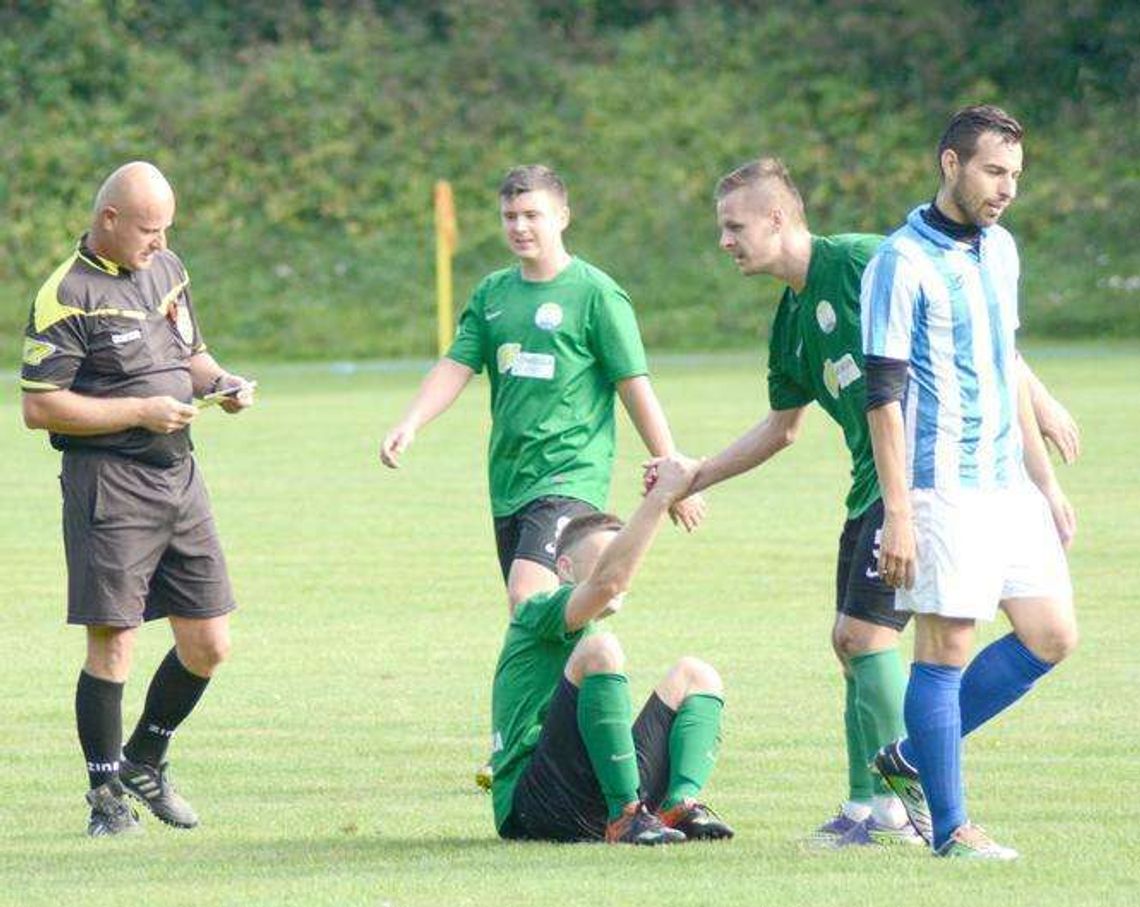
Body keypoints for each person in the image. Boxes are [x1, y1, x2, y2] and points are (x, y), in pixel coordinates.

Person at [652, 157, 1079, 849]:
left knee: (878, 640)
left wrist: (1041, 396)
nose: (724, 242)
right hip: (868, 488)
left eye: (734, 227)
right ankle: (869, 804)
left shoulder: (860, 261)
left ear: (778, 219)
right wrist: (696, 473)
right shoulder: (790, 322)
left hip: (919, 479)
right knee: (851, 641)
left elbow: (967, 320)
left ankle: (895, 805)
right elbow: (781, 428)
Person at [380, 165, 703, 790]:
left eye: (532, 215)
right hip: (508, 488)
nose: (520, 227)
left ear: (562, 216)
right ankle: (562, 732)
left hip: (569, 481)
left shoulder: (596, 294)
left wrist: (672, 472)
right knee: (554, 616)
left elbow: (633, 386)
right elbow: (456, 364)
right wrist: (411, 422)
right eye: (509, 217)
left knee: (531, 599)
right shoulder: (494, 294)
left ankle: (516, 735)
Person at [861, 105, 1078, 859]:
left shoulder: (1002, 249)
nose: (1006, 188)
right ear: (949, 164)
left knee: (1051, 636)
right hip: (938, 486)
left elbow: (1005, 363)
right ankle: (951, 829)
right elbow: (882, 397)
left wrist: (1043, 481)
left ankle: (915, 756)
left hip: (1005, 483)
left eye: (1015, 174)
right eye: (993, 171)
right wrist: (899, 513)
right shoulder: (900, 262)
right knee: (946, 645)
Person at [20, 161, 256, 837]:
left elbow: (194, 356)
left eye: (166, 229)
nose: (159, 241)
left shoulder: (167, 267)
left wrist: (225, 383)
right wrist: (140, 411)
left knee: (209, 642)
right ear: (110, 220)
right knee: (115, 642)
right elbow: (41, 408)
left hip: (179, 477)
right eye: (149, 229)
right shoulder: (65, 294)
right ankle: (105, 799)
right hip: (109, 487)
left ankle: (146, 758)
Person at [490, 453, 732, 844]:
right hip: (532, 808)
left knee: (696, 674)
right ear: (565, 568)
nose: (622, 568)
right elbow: (608, 584)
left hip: (585, 798)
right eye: (606, 558)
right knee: (602, 650)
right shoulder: (537, 611)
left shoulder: (584, 628)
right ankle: (626, 814)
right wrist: (660, 498)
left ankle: (677, 806)